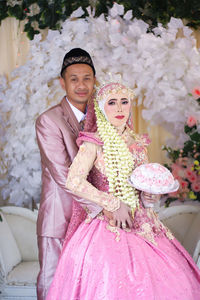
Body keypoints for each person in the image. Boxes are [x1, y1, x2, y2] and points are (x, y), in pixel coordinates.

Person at [46, 82, 200, 299]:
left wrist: (149, 197)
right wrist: (113, 203)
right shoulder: (94, 143)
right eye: (112, 103)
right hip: (107, 224)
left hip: (144, 223)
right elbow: (73, 181)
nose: (119, 109)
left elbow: (143, 187)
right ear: (101, 108)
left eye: (124, 102)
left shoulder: (138, 143)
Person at [35, 48, 103, 300]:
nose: (81, 85)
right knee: (53, 287)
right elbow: (64, 175)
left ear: (94, 80)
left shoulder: (103, 117)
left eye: (87, 78)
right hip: (60, 219)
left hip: (93, 223)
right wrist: (105, 206)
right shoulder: (48, 121)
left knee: (87, 288)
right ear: (62, 82)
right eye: (74, 79)